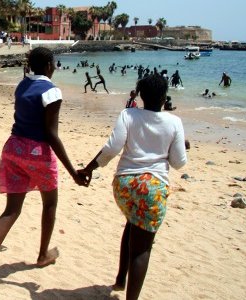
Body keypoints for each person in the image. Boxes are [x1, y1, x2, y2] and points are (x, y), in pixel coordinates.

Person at [0, 47, 89, 294]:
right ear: (48, 65)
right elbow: (51, 135)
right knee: (49, 203)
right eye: (54, 63)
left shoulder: (22, 85)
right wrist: (72, 172)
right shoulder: (52, 91)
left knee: (11, 210)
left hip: (13, 148)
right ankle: (43, 254)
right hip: (38, 154)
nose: (55, 67)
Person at [80, 74, 187, 300]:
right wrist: (182, 145)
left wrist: (89, 169)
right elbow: (178, 163)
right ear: (164, 97)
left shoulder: (128, 114)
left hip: (124, 186)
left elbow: (112, 148)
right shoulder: (174, 122)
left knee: (132, 223)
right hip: (153, 189)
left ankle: (120, 279)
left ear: (140, 95)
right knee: (143, 249)